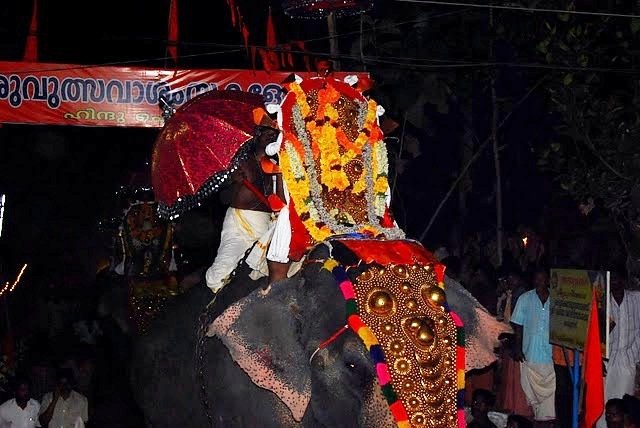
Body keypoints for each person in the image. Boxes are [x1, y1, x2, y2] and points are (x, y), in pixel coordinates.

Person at [205, 113, 290, 293]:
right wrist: (231, 180)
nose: (272, 139)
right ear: (257, 135)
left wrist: (282, 171)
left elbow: (282, 201)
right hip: (240, 226)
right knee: (218, 276)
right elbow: (223, 198)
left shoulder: (277, 164)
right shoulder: (239, 160)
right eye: (268, 135)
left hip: (267, 225)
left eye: (275, 136)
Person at [511, 266, 556, 426]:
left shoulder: (557, 298)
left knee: (551, 393)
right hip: (530, 352)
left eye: (543, 278)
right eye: (537, 278)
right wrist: (517, 347)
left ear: (549, 280)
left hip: (550, 354)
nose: (539, 282)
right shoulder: (525, 298)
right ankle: (539, 421)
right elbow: (518, 324)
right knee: (533, 393)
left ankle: (547, 421)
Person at [606, 269, 640, 402]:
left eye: (617, 278)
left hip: (628, 358)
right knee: (604, 399)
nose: (614, 282)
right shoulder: (603, 302)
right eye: (611, 279)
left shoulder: (636, 299)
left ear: (624, 281)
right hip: (607, 360)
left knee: (624, 400)